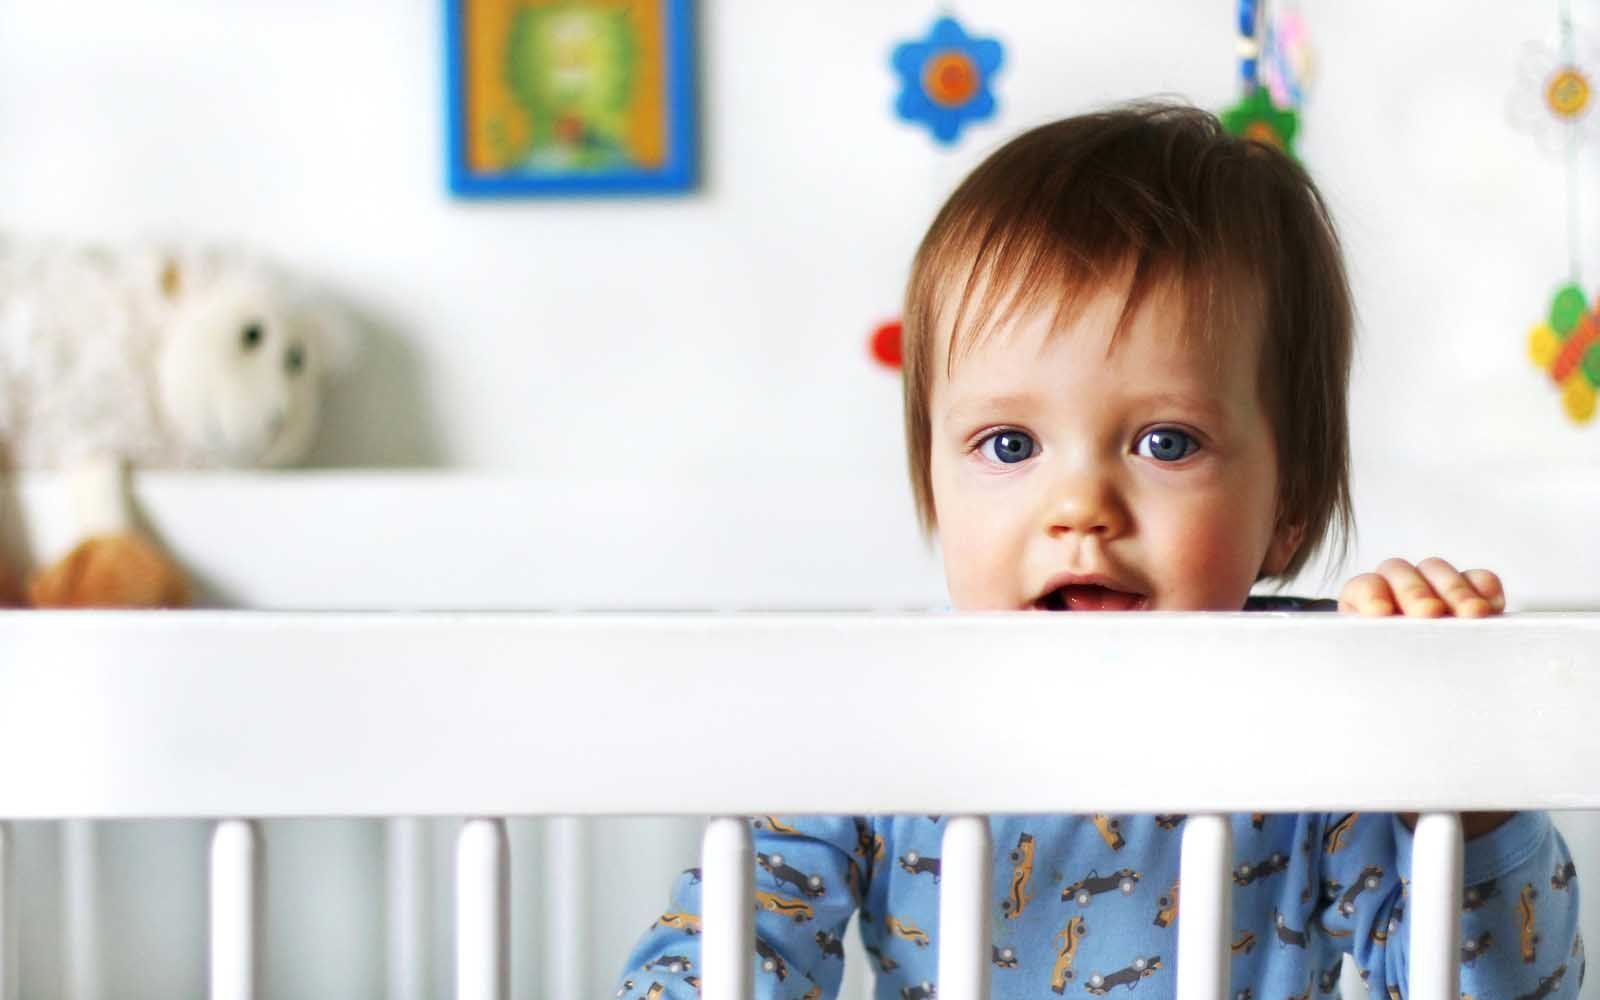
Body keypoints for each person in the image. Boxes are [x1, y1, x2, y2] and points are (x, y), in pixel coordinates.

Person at [611, 102, 1580, 1000]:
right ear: (934, 487)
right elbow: (725, 955)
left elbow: (1500, 988)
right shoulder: (876, 711)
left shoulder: (1329, 705)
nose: (1079, 506)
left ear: (1287, 504)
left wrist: (1461, 783)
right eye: (1009, 445)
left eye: (1165, 442)